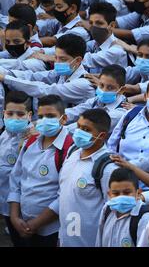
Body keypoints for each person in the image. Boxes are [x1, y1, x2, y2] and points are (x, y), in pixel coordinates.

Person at [8, 95, 72, 247]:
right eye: (41, 116)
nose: (44, 121)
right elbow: (16, 179)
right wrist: (14, 217)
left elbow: (65, 195)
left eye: (50, 116)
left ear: (63, 119)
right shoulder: (30, 142)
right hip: (22, 222)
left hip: (51, 230)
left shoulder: (69, 149)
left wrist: (36, 223)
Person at [58, 108, 118, 247]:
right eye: (78, 126)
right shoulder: (72, 152)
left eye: (86, 129)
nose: (79, 132)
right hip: (65, 238)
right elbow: (63, 194)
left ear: (102, 136)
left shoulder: (107, 168)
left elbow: (112, 212)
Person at [0, 34, 96, 106]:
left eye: (63, 59)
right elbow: (33, 76)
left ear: (78, 60)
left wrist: (7, 78)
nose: (57, 62)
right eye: (56, 57)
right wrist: (6, 73)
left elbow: (45, 90)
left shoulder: (83, 84)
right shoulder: (63, 73)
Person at [0, 91, 33, 244]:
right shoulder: (4, 134)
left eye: (20, 114)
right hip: (5, 203)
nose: (14, 118)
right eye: (10, 113)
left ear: (29, 115)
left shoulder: (35, 138)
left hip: (25, 208)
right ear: (3, 113)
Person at [95, 168, 149, 247]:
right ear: (109, 194)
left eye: (126, 193)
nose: (121, 197)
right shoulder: (107, 209)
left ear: (138, 193)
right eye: (116, 193)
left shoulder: (145, 218)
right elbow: (99, 241)